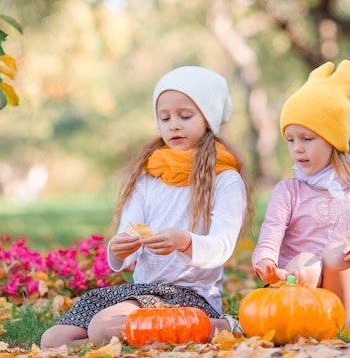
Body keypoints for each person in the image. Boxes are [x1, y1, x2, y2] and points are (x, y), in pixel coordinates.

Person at [40, 66, 254, 348]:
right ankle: (110, 341)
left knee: (103, 327)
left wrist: (185, 241)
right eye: (164, 118)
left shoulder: (225, 179)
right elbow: (128, 240)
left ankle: (220, 326)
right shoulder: (148, 175)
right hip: (141, 291)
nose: (173, 125)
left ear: (209, 118)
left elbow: (222, 247)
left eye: (185, 116)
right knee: (52, 340)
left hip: (188, 294)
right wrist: (118, 250)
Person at [251, 59, 350, 328]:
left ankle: (336, 326)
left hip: (345, 295)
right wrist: (266, 265)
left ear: (333, 139)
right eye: (290, 139)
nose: (297, 149)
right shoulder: (287, 191)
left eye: (307, 138)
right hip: (293, 289)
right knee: (306, 263)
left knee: (338, 254)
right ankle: (302, 321)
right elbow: (268, 238)